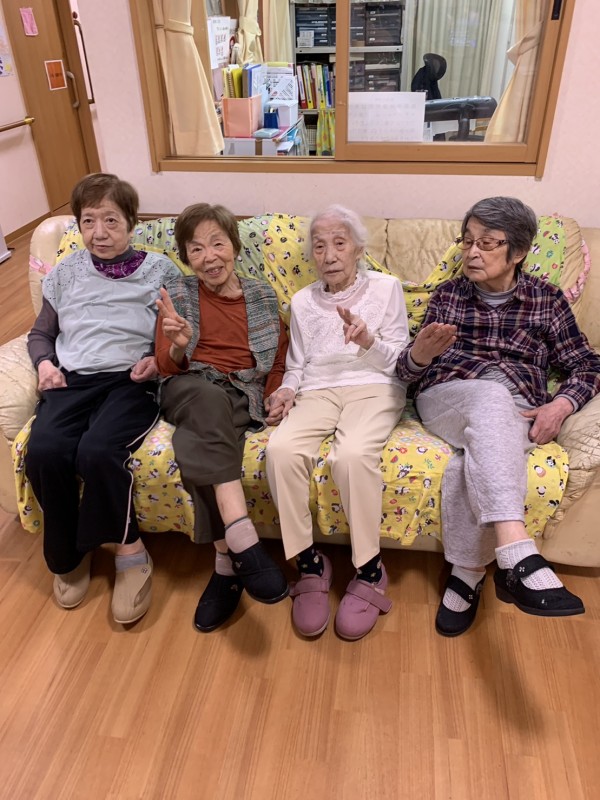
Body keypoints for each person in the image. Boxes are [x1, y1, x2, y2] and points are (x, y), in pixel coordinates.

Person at [396, 196, 600, 637]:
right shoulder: (449, 295)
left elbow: (588, 364)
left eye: (487, 243)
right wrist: (419, 355)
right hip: (449, 396)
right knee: (489, 397)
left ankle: (467, 573)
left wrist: (561, 404)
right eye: (467, 240)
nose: (472, 252)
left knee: (470, 460)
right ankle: (516, 552)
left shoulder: (546, 299)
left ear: (519, 251)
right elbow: (405, 373)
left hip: (520, 408)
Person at [25, 172, 180, 624]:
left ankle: (131, 552)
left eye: (111, 220)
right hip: (71, 380)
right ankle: (68, 553)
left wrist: (156, 359)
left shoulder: (161, 272)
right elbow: (41, 334)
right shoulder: (65, 272)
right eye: (88, 221)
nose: (99, 232)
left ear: (131, 222)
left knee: (97, 451)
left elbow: (177, 335)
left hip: (130, 381)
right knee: (45, 450)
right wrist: (45, 365)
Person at [266, 205, 414, 641]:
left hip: (374, 385)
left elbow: (401, 362)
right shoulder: (302, 301)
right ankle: (309, 562)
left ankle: (369, 568)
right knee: (280, 450)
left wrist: (367, 340)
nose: (329, 255)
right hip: (318, 391)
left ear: (358, 249)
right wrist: (287, 389)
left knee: (350, 456)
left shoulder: (386, 289)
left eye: (339, 243)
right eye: (319, 246)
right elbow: (297, 365)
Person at [155, 203, 290, 633]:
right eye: (196, 249)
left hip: (242, 392)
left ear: (234, 246)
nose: (209, 257)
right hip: (188, 385)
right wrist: (179, 344)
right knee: (207, 401)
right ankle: (242, 535)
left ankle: (226, 565)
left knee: (195, 440)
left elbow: (278, 360)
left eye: (217, 244)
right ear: (186, 256)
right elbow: (165, 365)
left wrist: (275, 394)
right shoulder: (177, 294)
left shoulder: (262, 296)